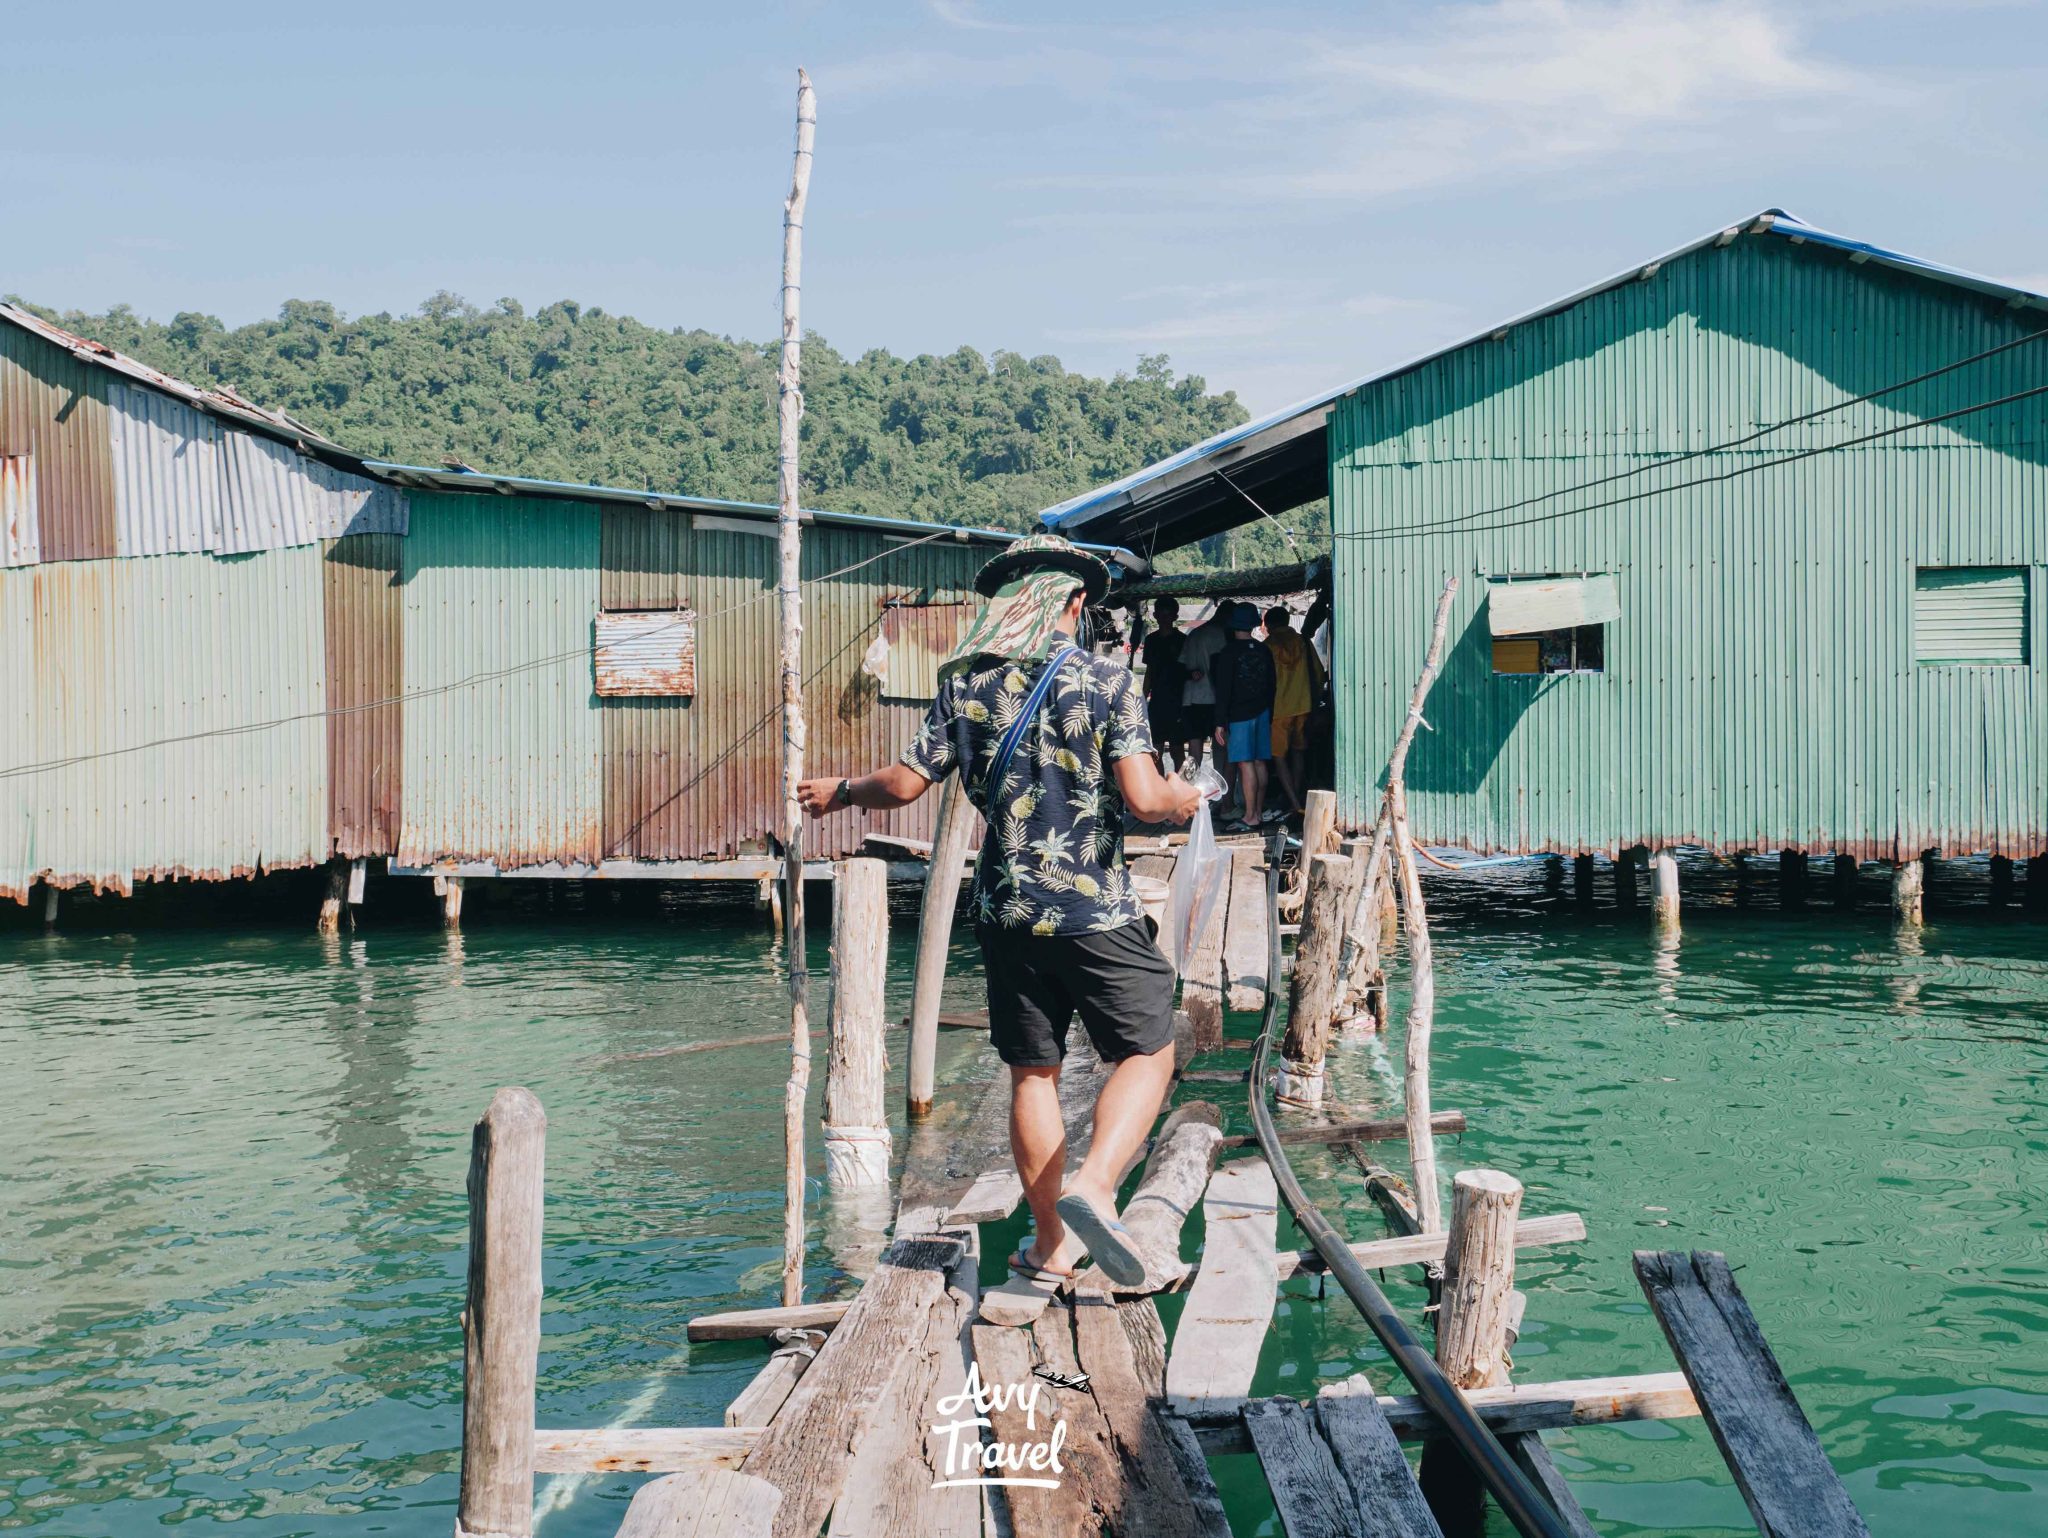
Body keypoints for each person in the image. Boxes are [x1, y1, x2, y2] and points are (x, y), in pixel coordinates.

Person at [797, 534, 1202, 1289]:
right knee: (1149, 1050)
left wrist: (843, 791)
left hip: (1007, 910)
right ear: (1076, 604)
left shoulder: (966, 687)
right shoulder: (1109, 681)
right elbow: (1147, 801)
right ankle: (1096, 1187)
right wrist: (1185, 796)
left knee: (1033, 1073)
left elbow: (906, 783)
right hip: (1093, 910)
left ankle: (1052, 1244)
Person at [1213, 602, 1278, 830]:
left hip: (1239, 715)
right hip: (1263, 712)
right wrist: (1269, 714)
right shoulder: (1264, 650)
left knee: (1244, 763)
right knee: (1260, 762)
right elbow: (1272, 686)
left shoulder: (1228, 652)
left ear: (1233, 625)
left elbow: (1223, 690)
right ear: (1253, 624)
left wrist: (1220, 722)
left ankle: (1250, 815)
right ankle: (1257, 812)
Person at [1263, 604, 1326, 816]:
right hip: (1304, 707)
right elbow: (1318, 674)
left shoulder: (1267, 646)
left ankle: (1292, 800)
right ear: (1287, 621)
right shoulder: (1303, 643)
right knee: (1299, 752)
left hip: (1278, 710)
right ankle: (1296, 796)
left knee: (1278, 757)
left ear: (1268, 625)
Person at [1179, 603, 1230, 786]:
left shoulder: (1194, 634)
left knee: (1194, 751)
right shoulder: (1220, 635)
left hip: (1190, 698)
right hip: (1212, 698)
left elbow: (1182, 665)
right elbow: (1218, 669)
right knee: (1220, 747)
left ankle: (1188, 791)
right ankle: (1219, 792)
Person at [1138, 597, 1189, 775]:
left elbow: (1190, 671)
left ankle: (1179, 787)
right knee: (1155, 749)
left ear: (1175, 616)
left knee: (1177, 750)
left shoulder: (1183, 640)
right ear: (1155, 616)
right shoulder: (1151, 640)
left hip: (1178, 700)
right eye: (1162, 614)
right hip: (1157, 700)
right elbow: (1149, 672)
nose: (1165, 618)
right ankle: (1160, 786)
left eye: (1169, 614)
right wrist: (1143, 698)